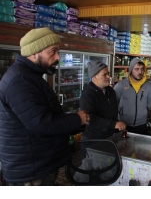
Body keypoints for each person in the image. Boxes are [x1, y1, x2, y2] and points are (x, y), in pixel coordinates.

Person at [0, 27, 89, 186]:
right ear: (34, 53)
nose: (58, 57)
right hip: (30, 172)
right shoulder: (20, 80)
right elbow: (41, 123)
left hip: (36, 165)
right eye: (52, 52)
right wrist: (77, 119)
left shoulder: (28, 76)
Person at [79, 60, 126, 140]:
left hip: (110, 136)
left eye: (108, 73)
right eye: (105, 74)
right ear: (94, 77)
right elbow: (89, 118)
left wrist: (117, 126)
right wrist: (113, 124)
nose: (108, 77)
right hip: (94, 139)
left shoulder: (110, 91)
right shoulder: (87, 94)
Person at [114, 58, 151, 135]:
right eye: (137, 69)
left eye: (142, 69)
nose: (140, 72)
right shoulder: (121, 85)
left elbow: (149, 104)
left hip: (141, 125)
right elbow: (114, 103)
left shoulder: (149, 87)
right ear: (131, 70)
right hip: (124, 125)